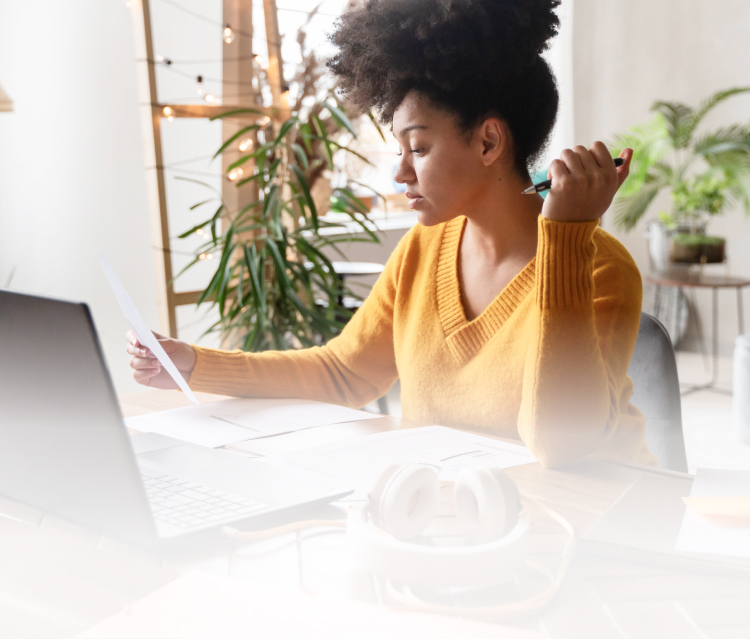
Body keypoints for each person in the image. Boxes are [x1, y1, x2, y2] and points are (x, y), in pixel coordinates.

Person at [127, 0, 655, 468]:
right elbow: (344, 372)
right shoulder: (424, 248)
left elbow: (561, 446)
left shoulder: (599, 268)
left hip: (598, 530)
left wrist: (565, 236)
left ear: (489, 141)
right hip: (460, 529)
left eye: (418, 148)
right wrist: (195, 363)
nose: (399, 173)